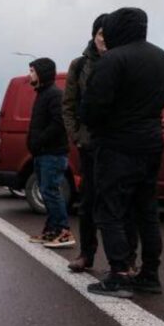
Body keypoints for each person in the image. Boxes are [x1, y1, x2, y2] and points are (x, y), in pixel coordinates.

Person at [81, 7, 164, 298]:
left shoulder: (112, 60)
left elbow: (92, 109)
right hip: (151, 142)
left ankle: (118, 274)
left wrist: (100, 123)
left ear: (118, 27)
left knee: (110, 209)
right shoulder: (161, 56)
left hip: (118, 145)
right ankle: (149, 274)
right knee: (146, 210)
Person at [63, 15, 140, 273]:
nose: (104, 41)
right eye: (100, 36)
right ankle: (86, 254)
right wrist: (77, 136)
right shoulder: (79, 65)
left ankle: (127, 259)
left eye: (108, 37)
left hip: (119, 145)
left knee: (123, 203)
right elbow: (69, 105)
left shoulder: (123, 62)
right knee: (88, 203)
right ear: (94, 35)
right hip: (91, 146)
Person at [26, 58, 75, 248]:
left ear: (42, 73)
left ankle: (64, 232)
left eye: (32, 71)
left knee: (50, 191)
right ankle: (51, 231)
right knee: (46, 192)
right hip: (42, 154)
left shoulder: (54, 95)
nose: (30, 74)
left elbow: (58, 123)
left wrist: (39, 141)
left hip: (52, 154)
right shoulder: (42, 94)